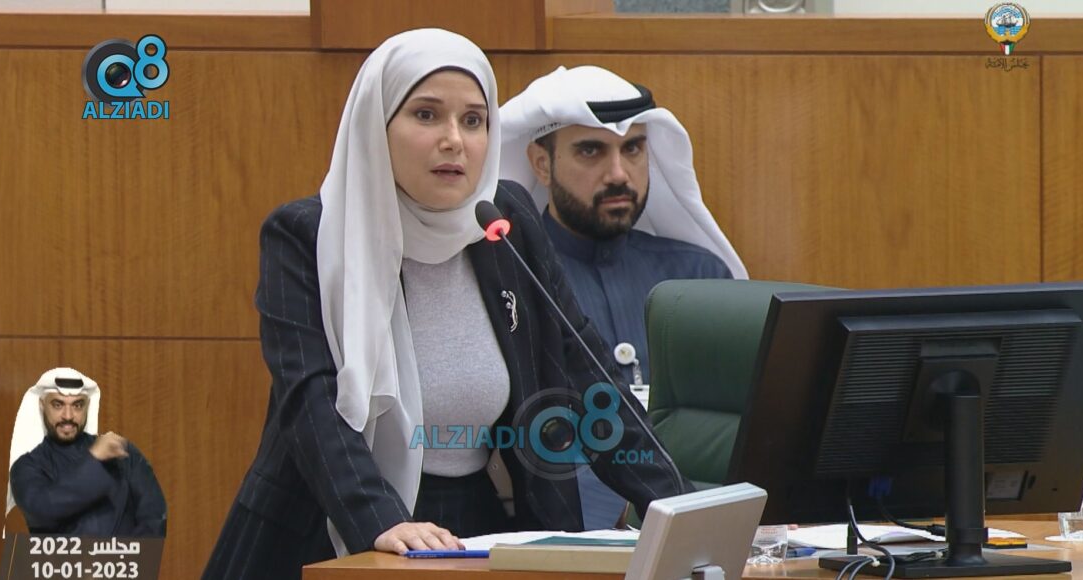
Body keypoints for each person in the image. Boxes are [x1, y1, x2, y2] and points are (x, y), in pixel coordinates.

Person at [202, 29, 689, 580]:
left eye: (473, 120)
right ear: (376, 125)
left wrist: (680, 506)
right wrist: (380, 519)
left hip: (473, 518)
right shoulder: (307, 236)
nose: (454, 140)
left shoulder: (503, 220)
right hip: (329, 521)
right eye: (427, 115)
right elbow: (310, 400)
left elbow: (588, 372)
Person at [499, 65, 748, 530]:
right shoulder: (513, 279)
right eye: (591, 150)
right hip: (560, 536)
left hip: (692, 527)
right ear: (541, 163)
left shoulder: (700, 277)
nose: (619, 174)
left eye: (633, 148)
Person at [7, 367, 167, 537]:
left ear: (87, 406)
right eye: (58, 405)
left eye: (77, 405)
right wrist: (94, 460)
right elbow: (43, 510)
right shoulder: (26, 467)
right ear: (42, 405)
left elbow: (154, 514)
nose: (68, 416)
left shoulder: (120, 451)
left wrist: (133, 553)